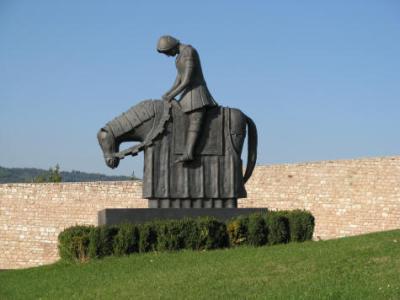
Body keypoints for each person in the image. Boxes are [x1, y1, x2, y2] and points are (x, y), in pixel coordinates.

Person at [157, 35, 218, 163]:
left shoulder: (189, 52)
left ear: (171, 46)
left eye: (167, 52)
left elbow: (186, 80)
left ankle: (189, 152)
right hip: (186, 94)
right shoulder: (178, 57)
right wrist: (167, 93)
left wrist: (172, 95)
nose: (168, 56)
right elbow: (178, 79)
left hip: (196, 93)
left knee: (195, 119)